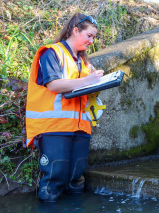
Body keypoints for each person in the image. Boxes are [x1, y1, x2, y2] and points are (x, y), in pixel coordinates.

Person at [25, 13, 104, 202]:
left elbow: (83, 89)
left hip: (81, 128)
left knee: (76, 180)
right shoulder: (51, 52)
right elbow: (54, 85)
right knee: (54, 178)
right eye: (89, 36)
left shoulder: (84, 61)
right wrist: (88, 80)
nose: (92, 41)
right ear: (75, 31)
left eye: (94, 37)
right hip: (54, 127)